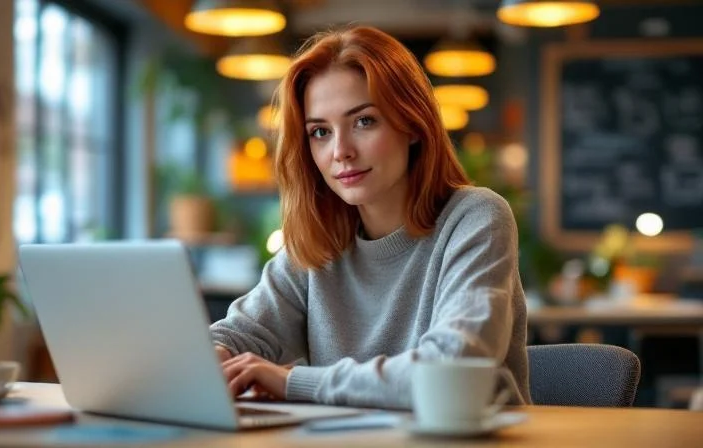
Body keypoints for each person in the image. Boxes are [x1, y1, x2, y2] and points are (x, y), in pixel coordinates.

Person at [209, 25, 531, 409]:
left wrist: (294, 381)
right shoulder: (319, 240)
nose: (340, 151)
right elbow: (240, 334)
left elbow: (452, 369)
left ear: (412, 124)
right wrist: (215, 356)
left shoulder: (476, 218)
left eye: (364, 121)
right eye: (320, 132)